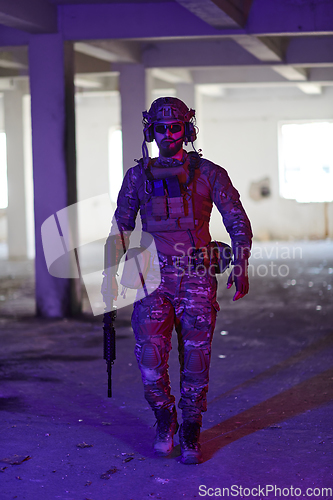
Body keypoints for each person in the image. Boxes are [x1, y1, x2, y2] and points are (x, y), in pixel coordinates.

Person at [102, 97, 252, 464]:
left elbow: (236, 218)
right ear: (150, 131)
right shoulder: (137, 176)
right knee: (150, 360)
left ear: (187, 130)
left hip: (196, 278)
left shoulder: (210, 173)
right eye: (160, 128)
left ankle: (190, 427)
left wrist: (241, 262)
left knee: (196, 360)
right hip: (151, 278)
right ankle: (164, 418)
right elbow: (121, 226)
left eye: (175, 127)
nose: (168, 134)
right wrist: (110, 274)